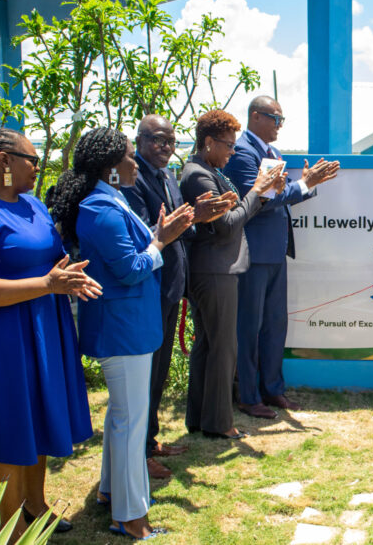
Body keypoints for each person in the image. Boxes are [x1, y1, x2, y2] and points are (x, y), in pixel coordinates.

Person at [0, 128, 99, 538]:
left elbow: (47, 260)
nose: (37, 168)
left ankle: (37, 505)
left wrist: (65, 276)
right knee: (10, 424)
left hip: (43, 328)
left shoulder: (33, 205)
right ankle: (12, 525)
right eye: (31, 160)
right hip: (1, 337)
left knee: (39, 420)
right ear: (4, 162)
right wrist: (46, 285)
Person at [50, 128, 193, 540]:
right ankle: (130, 517)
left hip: (128, 325)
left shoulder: (110, 200)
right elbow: (130, 268)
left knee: (121, 415)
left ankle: (110, 491)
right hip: (122, 329)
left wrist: (161, 233)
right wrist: (160, 243)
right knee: (131, 422)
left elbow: (129, 248)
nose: (135, 163)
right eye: (130, 156)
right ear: (112, 168)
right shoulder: (101, 208)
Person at [122, 115, 232, 479]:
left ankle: (150, 441)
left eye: (170, 140)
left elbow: (181, 232)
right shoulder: (131, 180)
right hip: (147, 288)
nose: (165, 147)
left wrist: (198, 220)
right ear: (138, 140)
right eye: (157, 139)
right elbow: (143, 235)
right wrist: (190, 219)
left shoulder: (167, 176)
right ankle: (137, 452)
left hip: (170, 288)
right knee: (146, 376)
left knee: (159, 372)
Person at [223, 96, 340, 419]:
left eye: (281, 120)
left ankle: (273, 389)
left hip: (275, 251)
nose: (279, 126)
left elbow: (282, 197)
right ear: (256, 117)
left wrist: (307, 185)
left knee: (275, 325)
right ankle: (248, 395)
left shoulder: (272, 153)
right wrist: (305, 183)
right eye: (276, 119)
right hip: (252, 254)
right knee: (249, 327)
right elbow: (260, 198)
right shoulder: (243, 152)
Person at [180, 110, 284, 438]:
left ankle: (201, 418)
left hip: (216, 268)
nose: (231, 152)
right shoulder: (199, 175)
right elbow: (225, 227)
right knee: (223, 348)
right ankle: (220, 422)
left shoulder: (209, 170)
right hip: (214, 269)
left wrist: (252, 196)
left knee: (209, 347)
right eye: (227, 145)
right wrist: (256, 191)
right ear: (208, 142)